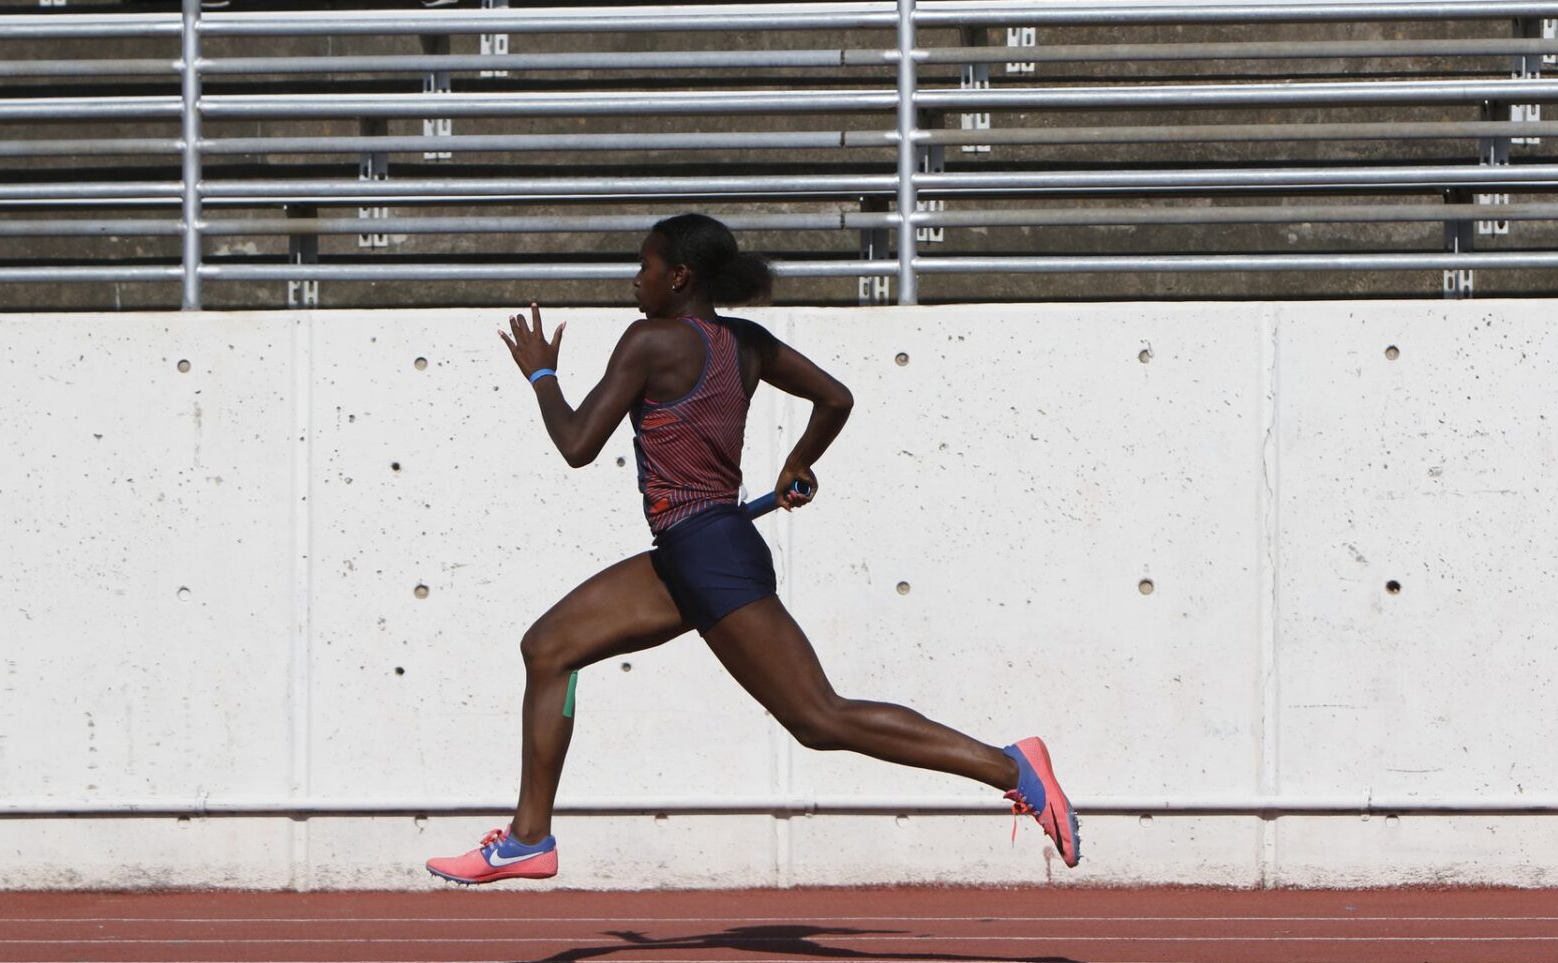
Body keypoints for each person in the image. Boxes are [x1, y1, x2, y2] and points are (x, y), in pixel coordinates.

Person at [424, 214, 1079, 884]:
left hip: (708, 554)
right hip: (692, 550)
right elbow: (835, 398)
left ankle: (1010, 765)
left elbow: (576, 444)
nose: (636, 279)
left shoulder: (649, 341)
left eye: (646, 266)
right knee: (549, 649)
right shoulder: (747, 343)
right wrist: (799, 460)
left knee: (819, 718)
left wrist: (542, 374)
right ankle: (530, 837)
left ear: (679, 277)